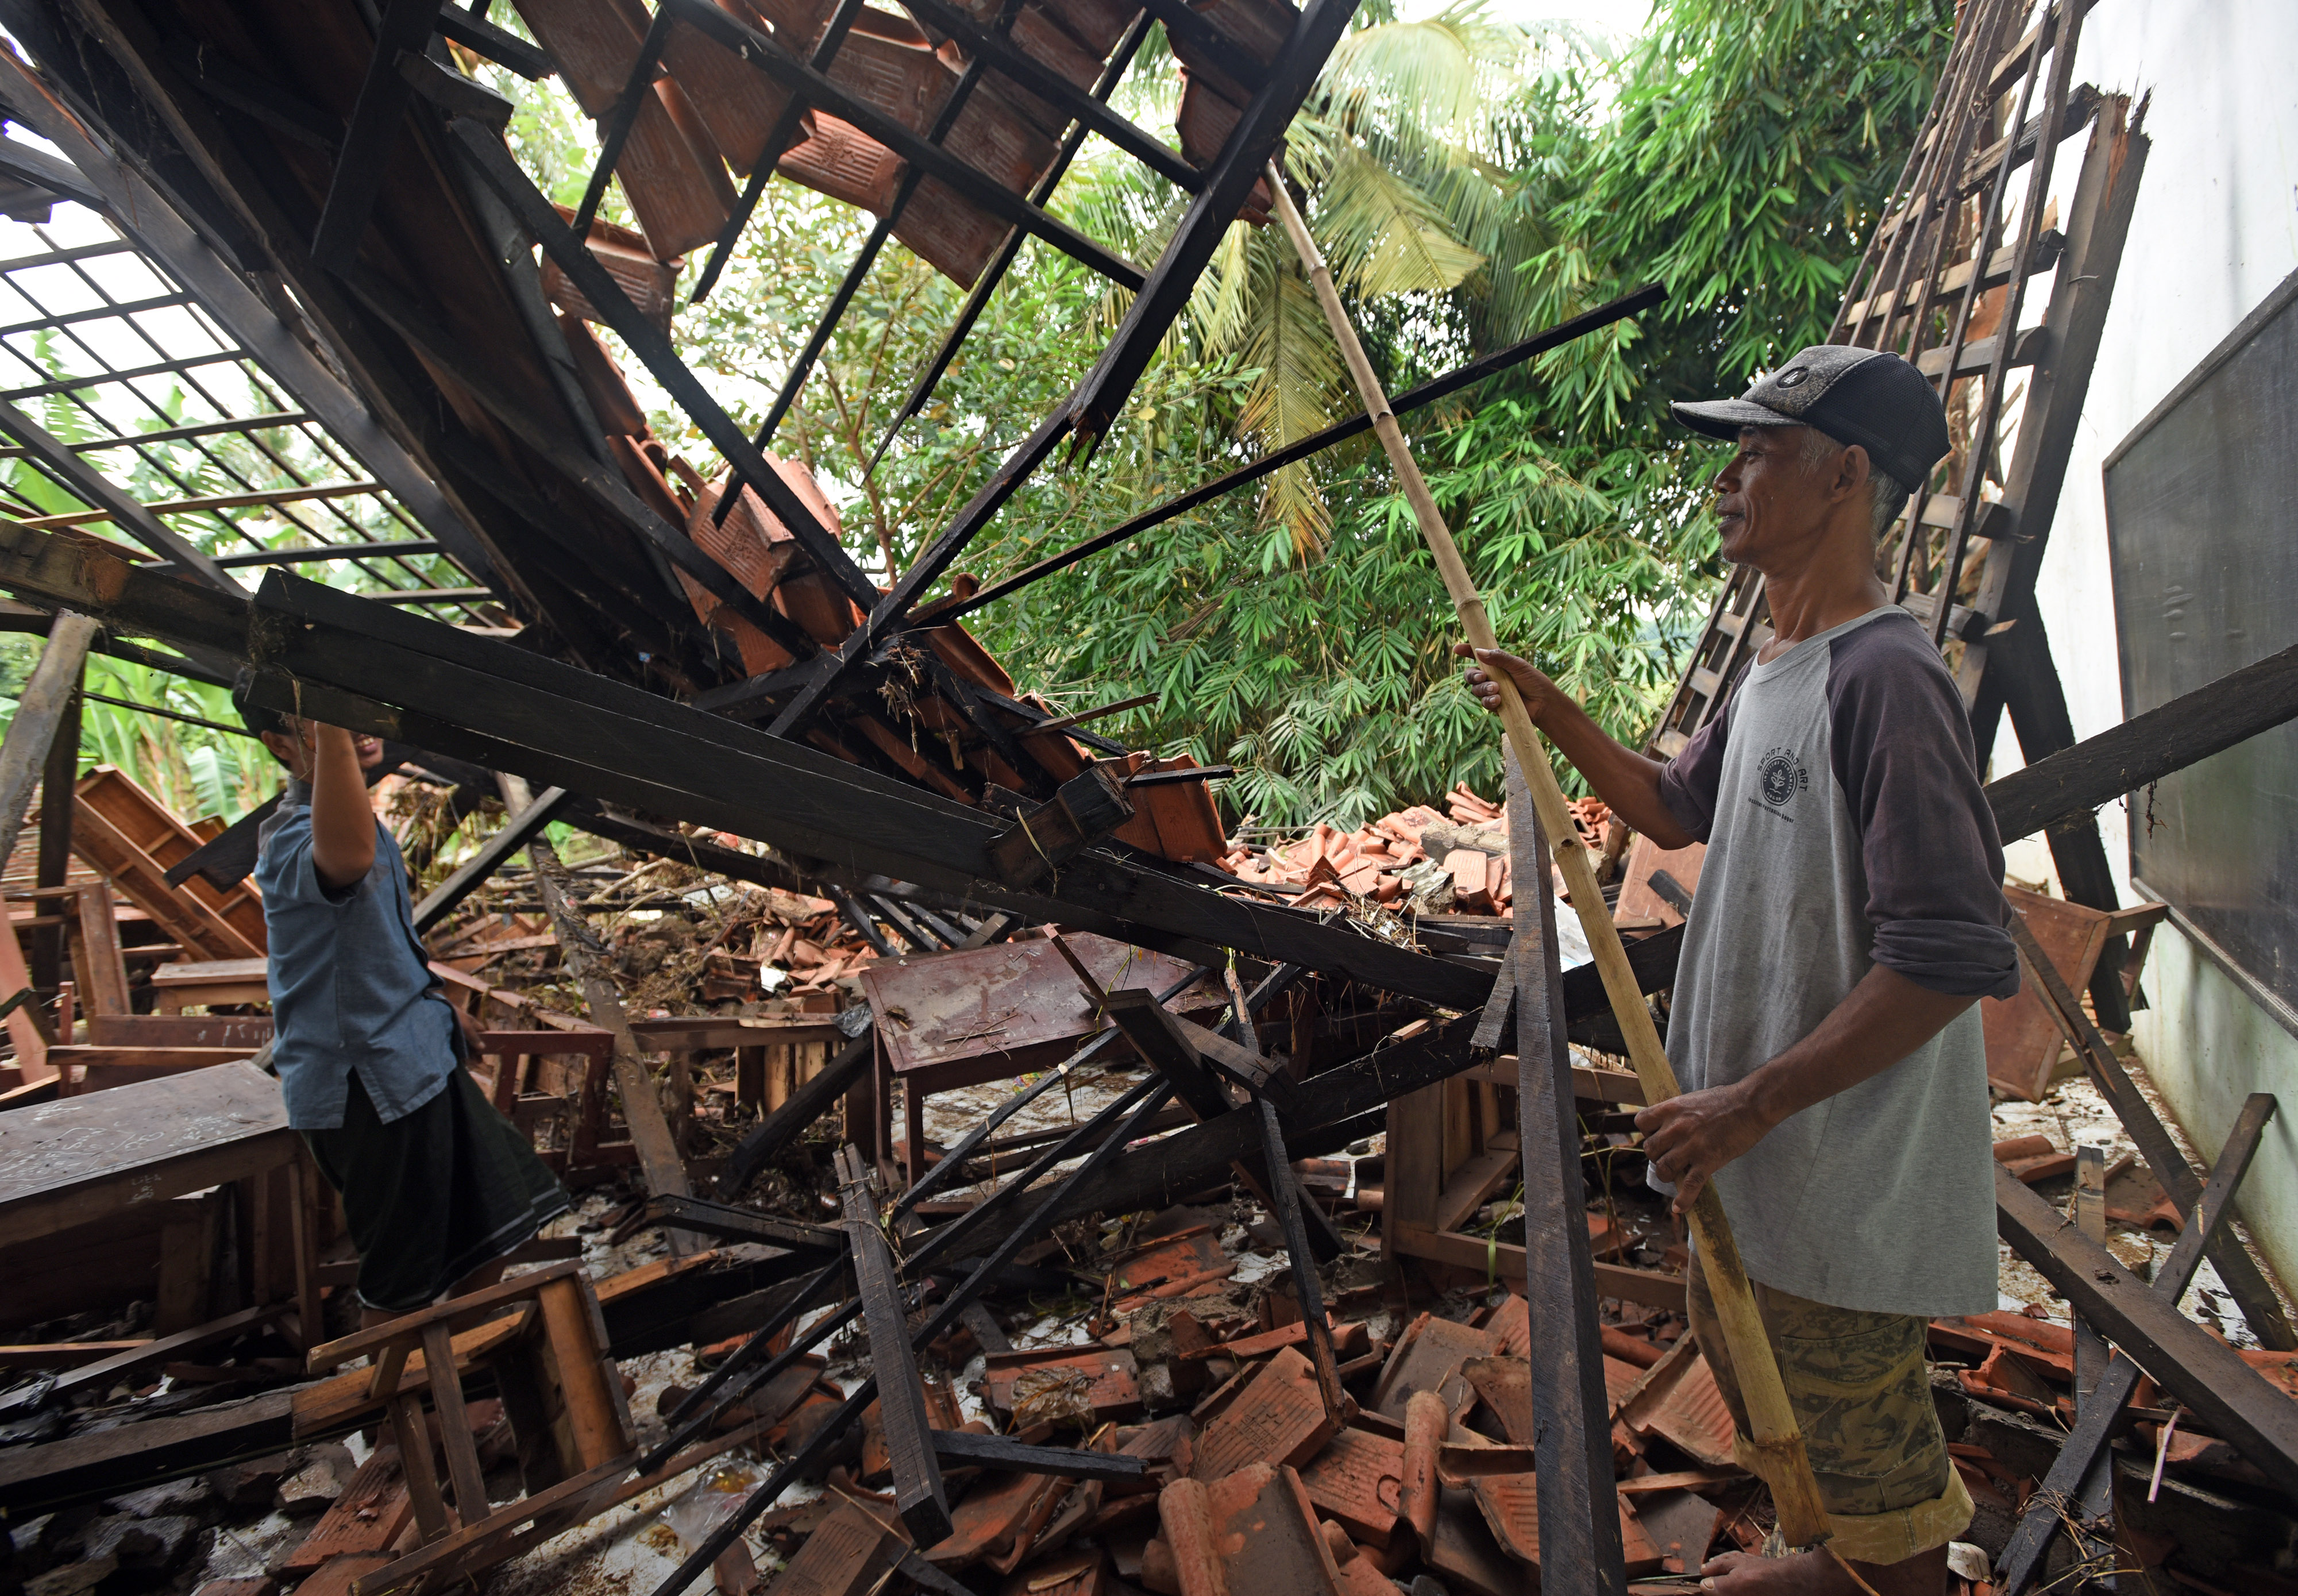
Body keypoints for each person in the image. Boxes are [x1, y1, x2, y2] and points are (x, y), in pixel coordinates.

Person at [1458, 346, 2019, 1596]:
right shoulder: (1778, 664)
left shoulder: (1887, 680)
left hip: (1832, 1177)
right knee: (1780, 1394)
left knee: (1870, 1460)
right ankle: (1817, 1562)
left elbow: (1946, 959)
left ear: (1844, 476)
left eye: (1757, 452)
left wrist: (1748, 1102)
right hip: (1760, 1168)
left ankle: (1877, 1577)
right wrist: (1550, 711)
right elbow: (1667, 808)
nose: (1726, 478)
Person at [239, 687, 568, 1330]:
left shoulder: (359, 818)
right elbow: (347, 859)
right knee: (403, 1277)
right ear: (281, 744)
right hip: (367, 1088)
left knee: (500, 1219)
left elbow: (371, 943)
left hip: (417, 1055)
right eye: (324, 722)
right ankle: (395, 1424)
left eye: (356, 711)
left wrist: (438, 1002)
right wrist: (328, 723)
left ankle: (467, 1382)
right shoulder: (290, 841)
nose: (355, 729)